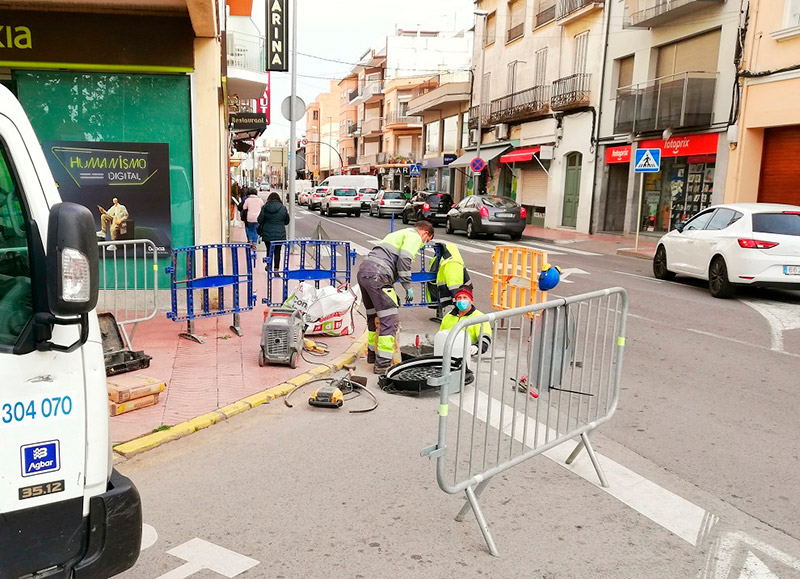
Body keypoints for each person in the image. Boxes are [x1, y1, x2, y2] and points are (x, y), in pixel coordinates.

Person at [357, 220, 434, 374]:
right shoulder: (414, 237)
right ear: (426, 233)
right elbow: (404, 259)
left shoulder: (398, 234)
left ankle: (372, 356)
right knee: (389, 320)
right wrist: (407, 286)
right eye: (427, 241)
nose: (423, 243)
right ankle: (383, 364)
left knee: (373, 318)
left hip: (364, 272)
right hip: (378, 275)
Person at [439, 285, 492, 357]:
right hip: (447, 355)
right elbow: (441, 335)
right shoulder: (448, 316)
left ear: (471, 301)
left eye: (465, 297)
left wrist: (477, 347)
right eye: (459, 298)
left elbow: (485, 338)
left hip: (467, 357)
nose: (461, 300)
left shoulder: (480, 318)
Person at [428, 242, 473, 311]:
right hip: (455, 291)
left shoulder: (452, 263)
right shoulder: (452, 260)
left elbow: (454, 286)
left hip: (451, 291)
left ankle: (460, 311)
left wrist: (457, 303)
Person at [257, 192, 289, 271]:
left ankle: (269, 266)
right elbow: (287, 221)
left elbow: (259, 220)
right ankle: (276, 269)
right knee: (277, 251)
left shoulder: (265, 207)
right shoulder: (283, 208)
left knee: (269, 249)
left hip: (267, 233)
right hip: (280, 233)